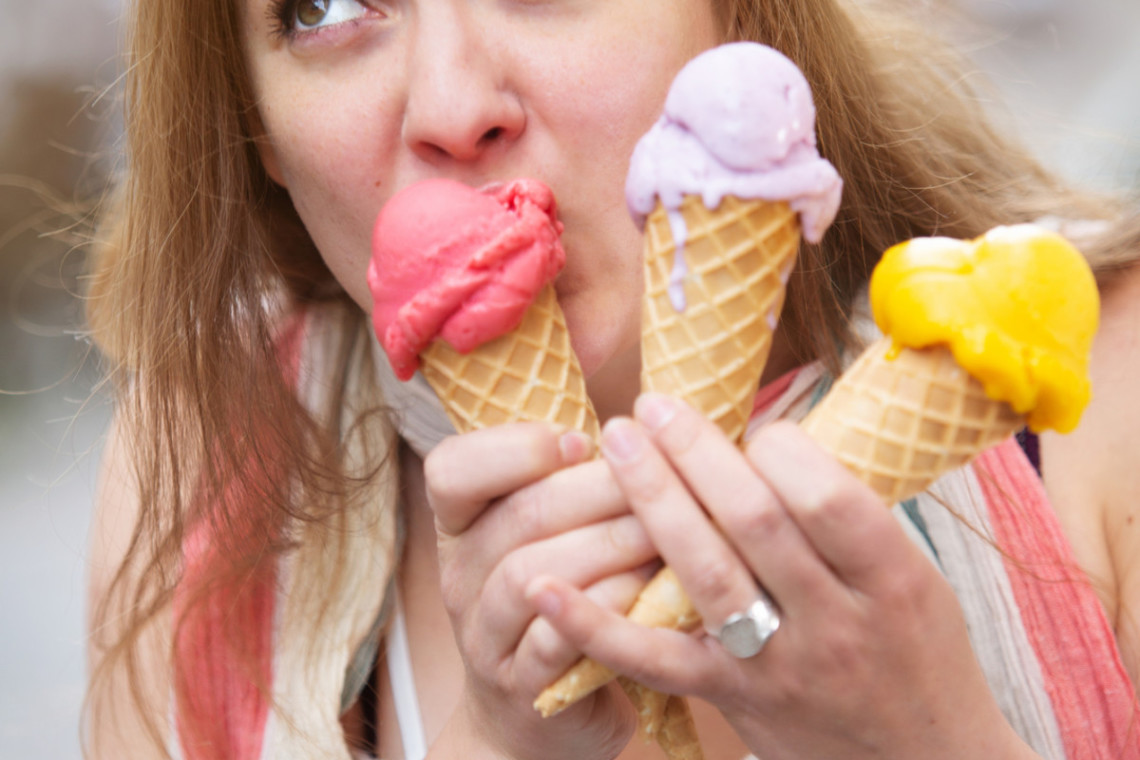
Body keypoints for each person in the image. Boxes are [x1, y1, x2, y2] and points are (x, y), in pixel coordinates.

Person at [83, 0, 1140, 758]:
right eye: (322, 6)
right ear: (256, 126)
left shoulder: (1105, 395)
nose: (451, 107)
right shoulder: (212, 469)